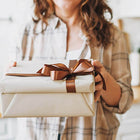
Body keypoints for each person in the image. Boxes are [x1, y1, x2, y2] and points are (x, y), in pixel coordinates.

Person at [10, 0, 133, 140]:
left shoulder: (113, 35)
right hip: (36, 134)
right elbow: (16, 97)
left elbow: (125, 101)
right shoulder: (27, 33)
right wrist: (13, 82)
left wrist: (104, 80)